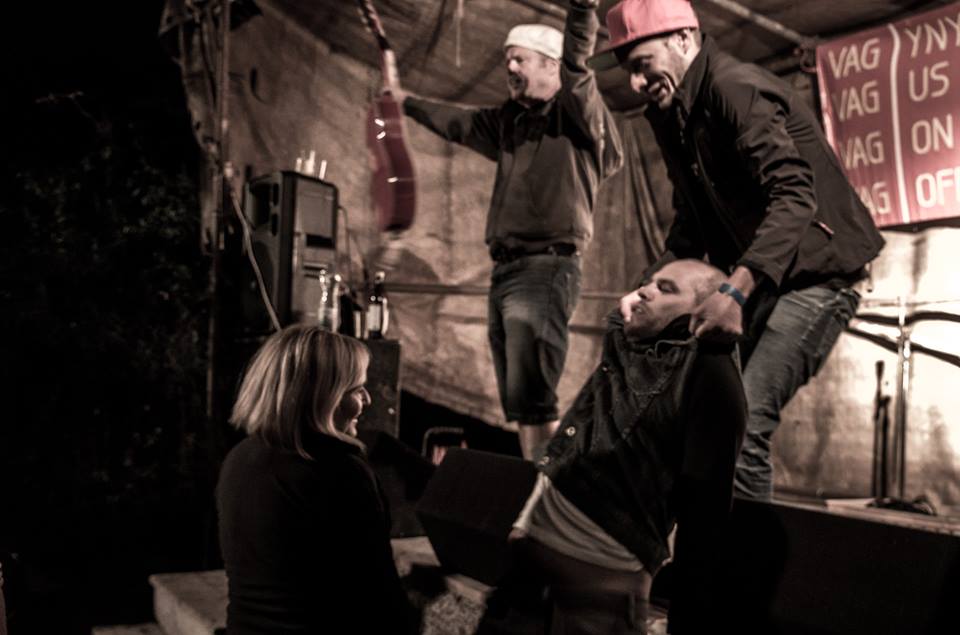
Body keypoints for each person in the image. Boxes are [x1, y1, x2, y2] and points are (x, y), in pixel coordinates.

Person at [588, 0, 885, 499]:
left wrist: (734, 291)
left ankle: (742, 552)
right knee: (705, 421)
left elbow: (795, 195)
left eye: (642, 64)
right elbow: (690, 221)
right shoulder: (668, 113)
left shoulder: (733, 86)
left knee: (743, 427)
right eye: (627, 71)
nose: (636, 83)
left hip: (819, 277)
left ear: (683, 39)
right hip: (769, 277)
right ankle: (701, 543)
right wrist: (642, 290)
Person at [391, 0, 624, 460]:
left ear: (550, 66)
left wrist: (582, 9)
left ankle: (546, 487)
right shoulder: (510, 122)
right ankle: (534, 484)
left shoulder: (574, 115)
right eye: (508, 61)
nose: (510, 68)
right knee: (521, 399)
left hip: (545, 268)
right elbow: (458, 123)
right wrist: (405, 104)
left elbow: (578, 62)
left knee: (534, 393)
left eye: (519, 59)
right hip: (508, 271)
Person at [509, 259, 747, 634]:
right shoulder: (629, 345)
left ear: (702, 309)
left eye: (665, 288)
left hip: (600, 584)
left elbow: (705, 514)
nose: (643, 292)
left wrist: (687, 621)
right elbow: (622, 318)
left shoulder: (711, 375)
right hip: (531, 560)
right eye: (647, 283)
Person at [216, 325, 417, 634]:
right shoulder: (339, 471)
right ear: (322, 397)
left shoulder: (239, 458)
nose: (367, 399)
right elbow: (380, 598)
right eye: (356, 389)